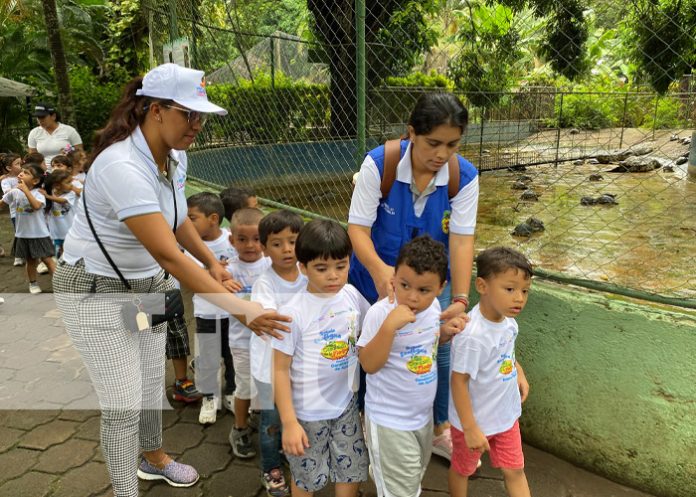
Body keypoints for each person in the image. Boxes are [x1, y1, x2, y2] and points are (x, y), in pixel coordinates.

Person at [51, 63, 290, 497]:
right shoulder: (122, 165)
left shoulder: (174, 156)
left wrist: (212, 262)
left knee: (146, 381)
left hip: (146, 289)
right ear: (155, 110)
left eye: (202, 116)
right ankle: (126, 491)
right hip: (95, 292)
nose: (197, 125)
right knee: (123, 403)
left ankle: (154, 457)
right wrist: (242, 309)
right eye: (189, 114)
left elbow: (177, 221)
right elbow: (167, 253)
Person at [348, 92, 479, 459]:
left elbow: (462, 241)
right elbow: (358, 229)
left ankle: (438, 427)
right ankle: (364, 417)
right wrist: (379, 271)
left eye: (452, 145)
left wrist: (459, 298)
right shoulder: (380, 163)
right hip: (371, 276)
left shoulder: (463, 177)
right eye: (433, 143)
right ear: (411, 133)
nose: (441, 154)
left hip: (426, 283)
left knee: (437, 350)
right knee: (368, 345)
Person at [358, 235, 465, 497]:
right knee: (404, 491)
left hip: (421, 417)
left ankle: (383, 471)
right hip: (389, 421)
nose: (412, 297)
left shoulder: (433, 309)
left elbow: (422, 345)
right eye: (404, 285)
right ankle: (385, 469)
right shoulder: (380, 314)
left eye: (424, 290)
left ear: (441, 287)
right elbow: (369, 364)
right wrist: (389, 328)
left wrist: (443, 334)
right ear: (394, 276)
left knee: (413, 476)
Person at [273, 220, 370, 497]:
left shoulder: (351, 295)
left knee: (351, 469)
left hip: (345, 406)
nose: (333, 276)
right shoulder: (293, 313)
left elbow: (369, 329)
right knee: (306, 476)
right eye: (321, 268)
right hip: (306, 414)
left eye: (341, 266)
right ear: (302, 268)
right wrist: (289, 422)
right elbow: (279, 370)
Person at [448, 247, 533, 497]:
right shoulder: (473, 336)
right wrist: (470, 427)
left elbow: (505, 353)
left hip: (506, 417)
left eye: (525, 291)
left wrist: (518, 371)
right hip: (473, 422)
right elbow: (458, 382)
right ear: (482, 286)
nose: (519, 298)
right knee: (463, 470)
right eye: (510, 289)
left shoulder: (509, 323)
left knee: (515, 471)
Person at [251, 209, 305, 497]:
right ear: (264, 248)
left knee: (292, 414)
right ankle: (270, 468)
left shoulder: (308, 275)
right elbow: (271, 320)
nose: (287, 249)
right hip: (269, 369)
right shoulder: (265, 282)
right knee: (270, 423)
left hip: (298, 367)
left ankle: (289, 450)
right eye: (277, 243)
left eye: (293, 241)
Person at [183, 192, 237, 417]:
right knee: (207, 358)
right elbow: (189, 277)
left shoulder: (233, 240)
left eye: (192, 218)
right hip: (206, 313)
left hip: (233, 314)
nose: (186, 223)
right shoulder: (191, 249)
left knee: (233, 355)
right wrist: (212, 270)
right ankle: (209, 397)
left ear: (213, 218)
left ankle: (232, 393)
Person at [226, 207, 271, 458]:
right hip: (242, 342)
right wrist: (220, 283)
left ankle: (260, 418)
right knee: (244, 388)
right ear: (232, 240)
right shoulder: (228, 271)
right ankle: (239, 429)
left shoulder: (272, 264)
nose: (250, 245)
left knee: (267, 385)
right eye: (242, 239)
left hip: (267, 341)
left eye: (256, 239)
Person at [0, 163, 56, 293]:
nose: (21, 173)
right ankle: (33, 283)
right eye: (22, 171)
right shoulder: (14, 192)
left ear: (35, 180)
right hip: (23, 234)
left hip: (39, 234)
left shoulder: (39, 192)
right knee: (30, 261)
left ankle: (59, 283)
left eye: (26, 173)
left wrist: (25, 190)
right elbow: (2, 203)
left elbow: (36, 206)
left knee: (47, 260)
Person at [27, 102, 83, 169]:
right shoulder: (34, 133)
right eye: (38, 117)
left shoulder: (69, 131)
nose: (40, 120)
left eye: (43, 117)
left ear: (53, 116)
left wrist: (70, 154)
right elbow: (33, 158)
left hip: (67, 171)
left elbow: (80, 153)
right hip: (44, 173)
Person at [43, 169, 77, 258]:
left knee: (69, 248)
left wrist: (47, 196)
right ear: (57, 186)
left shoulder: (71, 193)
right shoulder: (51, 193)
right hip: (56, 230)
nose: (71, 185)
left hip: (70, 229)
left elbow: (62, 201)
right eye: (68, 182)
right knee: (61, 247)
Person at [0, 153, 24, 266]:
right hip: (16, 212)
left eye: (21, 163)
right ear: (9, 168)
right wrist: (19, 186)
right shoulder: (6, 181)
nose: (21, 165)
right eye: (17, 164)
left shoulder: (25, 174)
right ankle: (18, 256)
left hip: (29, 210)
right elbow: (7, 194)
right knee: (19, 233)